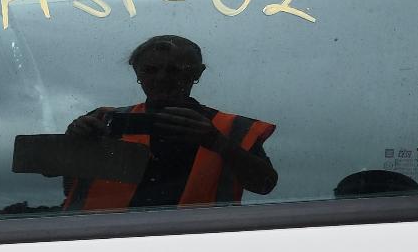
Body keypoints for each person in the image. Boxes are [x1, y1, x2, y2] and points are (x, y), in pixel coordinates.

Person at [63, 35, 277, 211]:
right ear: (137, 72)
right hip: (100, 243)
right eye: (150, 70)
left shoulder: (232, 130)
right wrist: (74, 144)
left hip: (198, 246)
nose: (162, 77)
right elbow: (68, 185)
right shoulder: (101, 121)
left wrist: (216, 142)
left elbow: (264, 184)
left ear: (197, 73)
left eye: (175, 70)